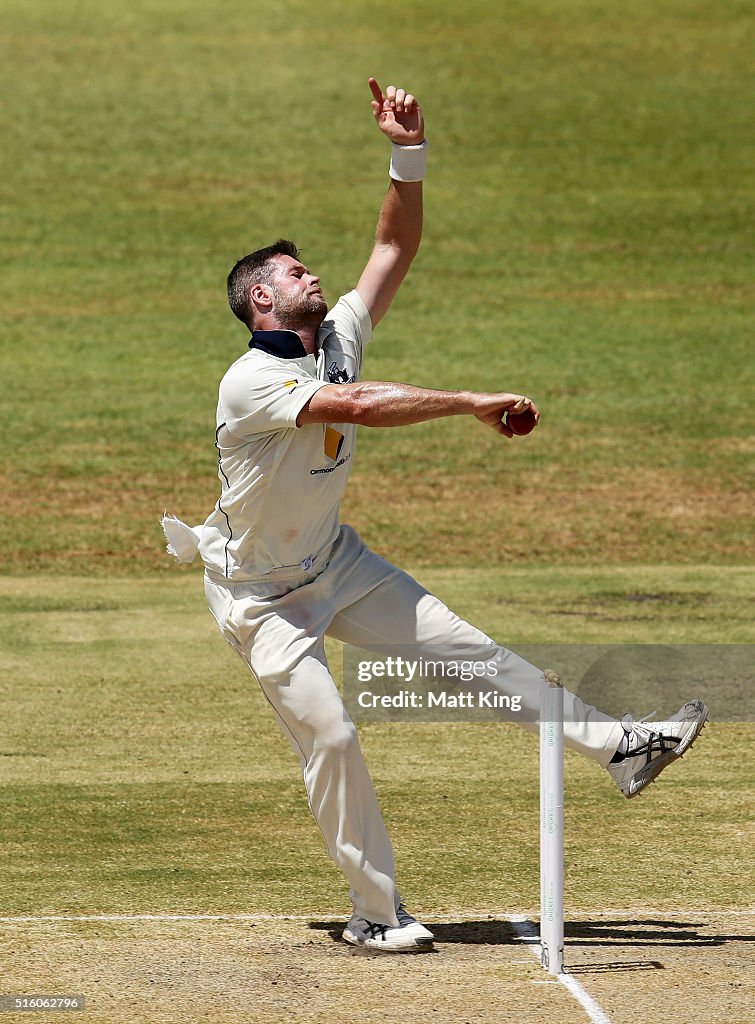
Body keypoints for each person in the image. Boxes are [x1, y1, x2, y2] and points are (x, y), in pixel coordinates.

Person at [162, 79, 708, 953]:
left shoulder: (334, 334)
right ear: (260, 300)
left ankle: (625, 748)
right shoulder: (251, 380)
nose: (315, 277)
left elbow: (392, 245)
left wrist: (406, 151)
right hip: (257, 594)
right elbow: (364, 406)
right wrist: (469, 401)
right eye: (295, 273)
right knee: (334, 736)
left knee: (471, 652)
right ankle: (374, 914)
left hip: (334, 564)